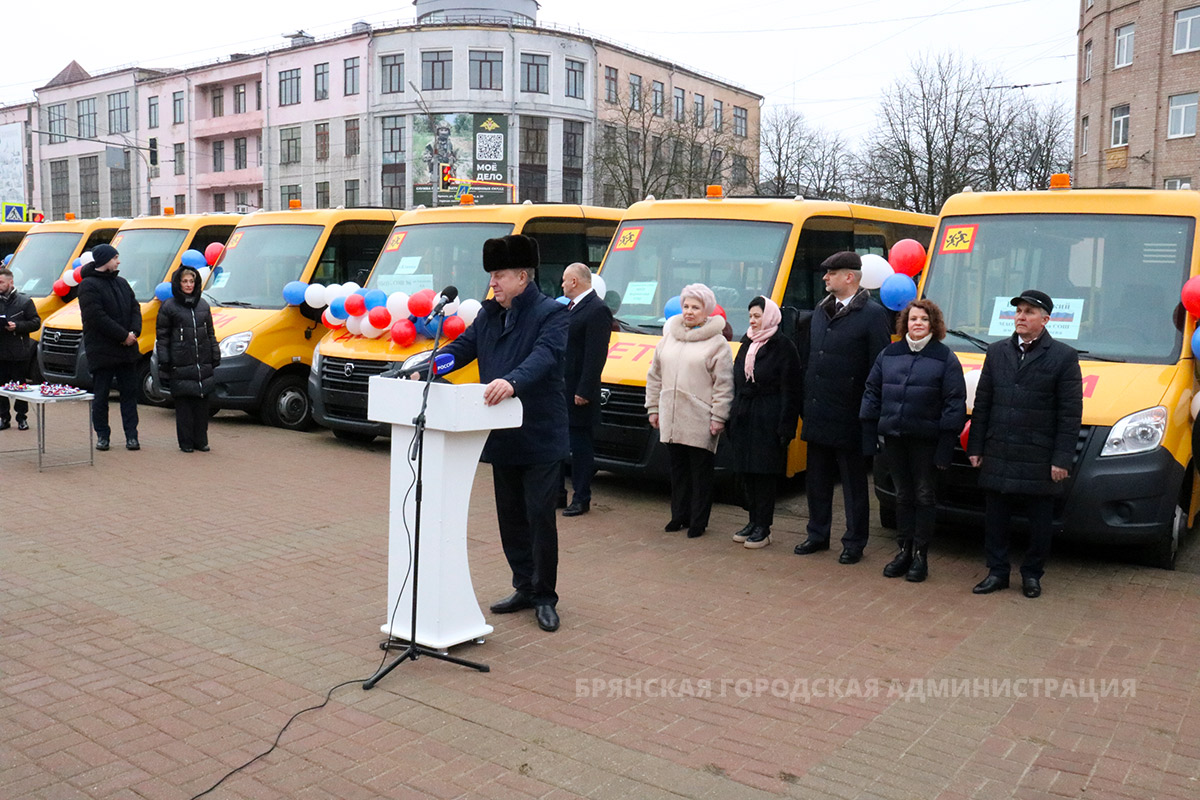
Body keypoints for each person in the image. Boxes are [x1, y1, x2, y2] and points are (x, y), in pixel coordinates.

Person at [438, 234, 569, 632]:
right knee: (510, 518)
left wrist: (512, 382)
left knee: (539, 518)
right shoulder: (488, 315)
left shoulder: (552, 313)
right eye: (492, 275)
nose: (492, 283)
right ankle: (523, 586)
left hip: (540, 434)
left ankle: (545, 595)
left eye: (499, 275)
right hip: (501, 434)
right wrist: (422, 366)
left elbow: (543, 357)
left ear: (523, 277)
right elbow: (461, 349)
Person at [967, 289, 1082, 598]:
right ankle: (997, 572)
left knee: (1040, 522)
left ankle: (1032, 575)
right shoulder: (997, 352)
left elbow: (1070, 414)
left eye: (1029, 312)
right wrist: (976, 447)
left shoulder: (1064, 357)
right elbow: (983, 403)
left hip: (1038, 455)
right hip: (999, 450)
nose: (1021, 316)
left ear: (1045, 320)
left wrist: (1061, 459)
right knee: (996, 519)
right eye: (1018, 311)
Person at [794, 251, 892, 564]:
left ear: (849, 277)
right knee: (817, 479)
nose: (825, 278)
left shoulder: (873, 315)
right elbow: (810, 359)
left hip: (851, 415)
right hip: (819, 410)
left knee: (852, 484)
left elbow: (879, 367)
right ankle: (817, 533)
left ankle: (854, 541)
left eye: (831, 273)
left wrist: (870, 412)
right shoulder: (822, 312)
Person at [860, 299, 967, 582]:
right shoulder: (889, 353)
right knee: (903, 496)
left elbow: (954, 404)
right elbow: (872, 391)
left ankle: (921, 556)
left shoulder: (945, 358)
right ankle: (903, 551)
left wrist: (946, 445)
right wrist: (870, 433)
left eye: (923, 319)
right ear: (904, 323)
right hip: (894, 438)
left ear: (933, 324)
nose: (917, 324)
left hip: (926, 442)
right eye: (912, 319)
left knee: (923, 495)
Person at [644, 283, 734, 539]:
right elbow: (655, 376)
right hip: (671, 416)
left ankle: (698, 521)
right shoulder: (668, 337)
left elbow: (724, 384)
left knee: (701, 473)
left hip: (701, 417)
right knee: (678, 471)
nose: (689, 311)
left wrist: (719, 416)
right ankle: (678, 516)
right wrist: (653, 407)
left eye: (695, 307)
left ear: (707, 311)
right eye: (686, 306)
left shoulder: (717, 343)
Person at [728, 296, 801, 549]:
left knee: (764, 474)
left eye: (757, 316)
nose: (753, 320)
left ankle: (764, 526)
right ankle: (752, 520)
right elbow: (737, 379)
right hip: (745, 415)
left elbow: (791, 390)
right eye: (750, 316)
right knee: (747, 472)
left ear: (769, 316)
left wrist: (785, 427)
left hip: (768, 417)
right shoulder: (746, 341)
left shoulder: (783, 346)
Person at [559, 262, 614, 517]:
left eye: (564, 280)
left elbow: (595, 355)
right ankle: (558, 494)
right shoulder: (571, 307)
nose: (561, 285)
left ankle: (582, 497)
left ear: (574, 281)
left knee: (580, 447)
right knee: (559, 442)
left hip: (579, 391)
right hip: (562, 388)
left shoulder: (597, 309)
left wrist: (585, 390)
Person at [78, 243, 141, 451]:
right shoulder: (88, 285)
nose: (118, 261)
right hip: (103, 350)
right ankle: (102, 436)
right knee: (101, 396)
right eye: (115, 257)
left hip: (126, 350)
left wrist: (134, 332)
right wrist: (123, 336)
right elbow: (96, 317)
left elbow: (135, 308)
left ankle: (132, 435)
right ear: (105, 260)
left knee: (129, 394)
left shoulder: (121, 282)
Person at [156, 263, 220, 453]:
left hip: (202, 363)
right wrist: (164, 361)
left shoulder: (203, 305)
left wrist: (215, 353)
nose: (189, 284)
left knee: (202, 405)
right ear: (178, 283)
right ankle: (186, 442)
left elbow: (210, 333)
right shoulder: (169, 307)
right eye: (185, 281)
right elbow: (163, 337)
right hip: (180, 363)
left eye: (192, 281)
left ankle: (201, 440)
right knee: (184, 407)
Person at [0, 267, 41, 431]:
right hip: (1, 352)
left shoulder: (24, 301)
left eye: (1, 282)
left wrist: (17, 326)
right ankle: (4, 417)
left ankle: (21, 417)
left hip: (19, 352)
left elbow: (36, 322)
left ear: (11, 282)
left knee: (20, 388)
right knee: (1, 388)